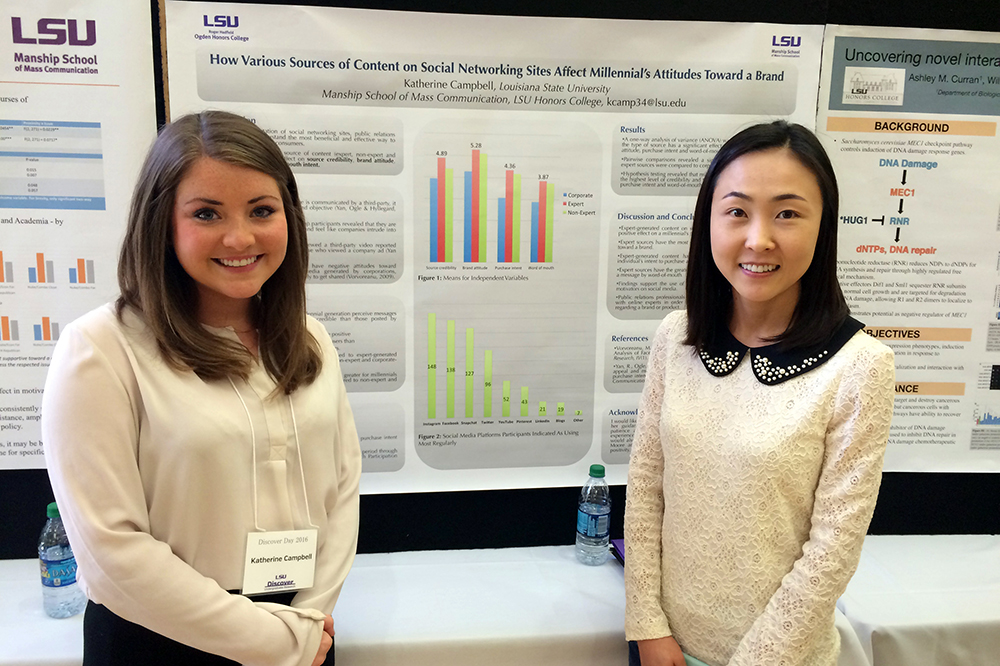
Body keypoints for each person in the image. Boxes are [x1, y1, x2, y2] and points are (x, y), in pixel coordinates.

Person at [42, 110, 361, 666]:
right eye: (206, 213)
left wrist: (307, 620)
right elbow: (112, 550)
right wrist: (271, 643)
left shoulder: (310, 339)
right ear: (162, 223)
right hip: (162, 641)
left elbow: (342, 489)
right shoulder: (100, 349)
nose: (239, 237)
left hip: (305, 632)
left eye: (261, 211)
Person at [624, 121, 895, 666]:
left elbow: (833, 550)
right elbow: (647, 484)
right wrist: (646, 626)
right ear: (710, 222)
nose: (758, 238)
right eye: (737, 211)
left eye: (788, 213)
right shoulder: (675, 337)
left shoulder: (861, 365)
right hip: (664, 648)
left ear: (824, 226)